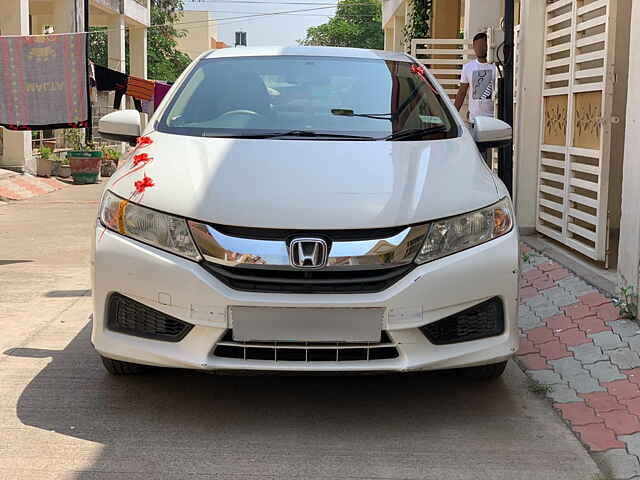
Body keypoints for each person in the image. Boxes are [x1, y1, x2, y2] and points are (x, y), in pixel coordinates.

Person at [455, 32, 498, 165]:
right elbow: (462, 92)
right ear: (473, 47)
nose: (480, 48)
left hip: (493, 119)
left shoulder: (496, 67)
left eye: (483, 45)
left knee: (492, 159)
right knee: (478, 158)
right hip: (475, 120)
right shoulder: (468, 68)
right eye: (477, 45)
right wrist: (453, 113)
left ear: (488, 45)